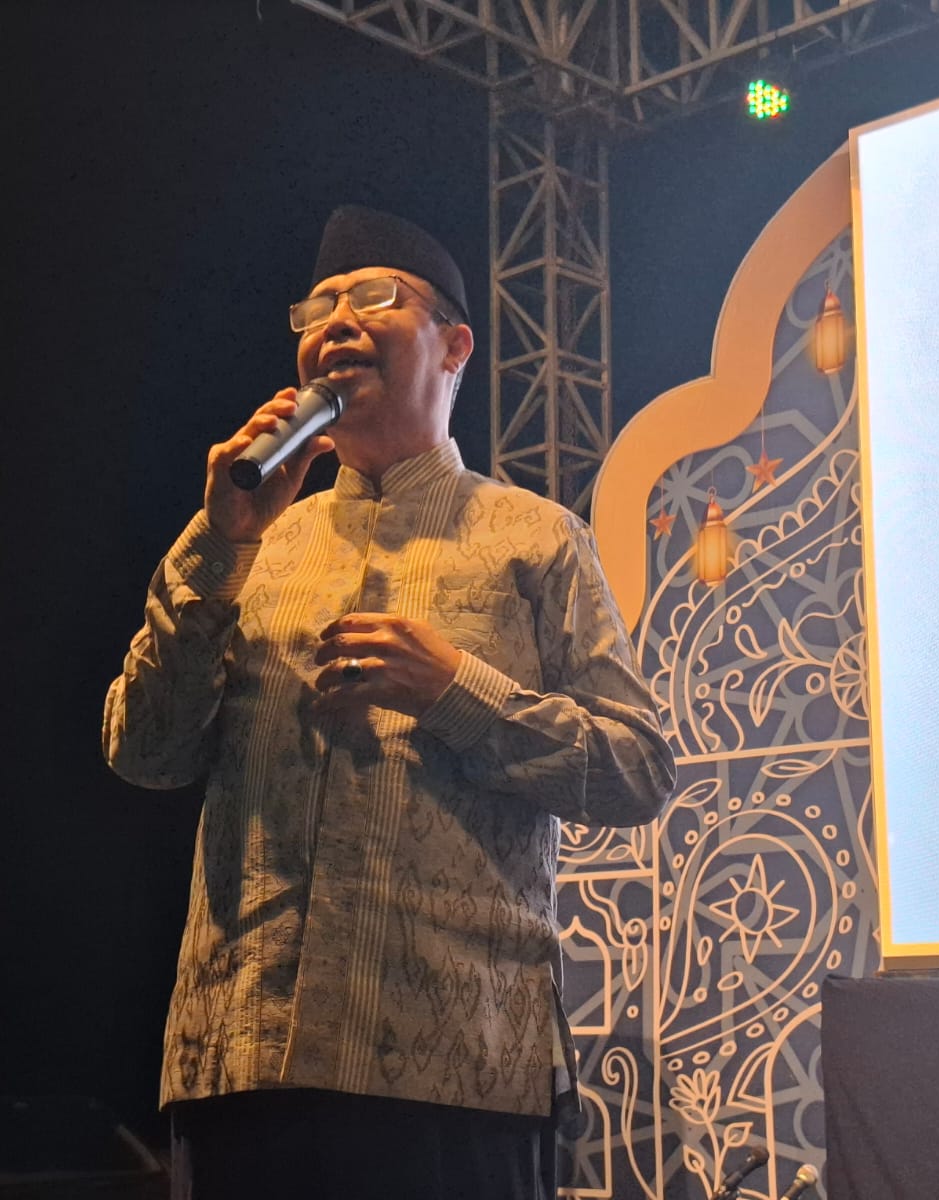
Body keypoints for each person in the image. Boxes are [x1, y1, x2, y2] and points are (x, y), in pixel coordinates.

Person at [102, 204, 676, 1200]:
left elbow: (638, 770)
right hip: (242, 1060)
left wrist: (458, 691)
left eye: (373, 297)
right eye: (316, 307)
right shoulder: (249, 542)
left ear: (454, 346)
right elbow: (142, 752)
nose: (335, 323)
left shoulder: (534, 538)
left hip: (457, 1070)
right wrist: (220, 541)